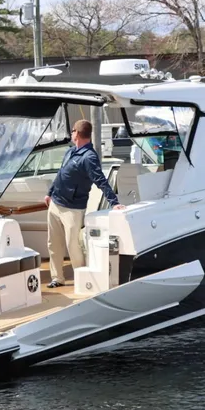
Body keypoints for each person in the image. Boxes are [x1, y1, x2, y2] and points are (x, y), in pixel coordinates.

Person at [44, 119, 125, 288]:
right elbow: (61, 173)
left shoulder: (89, 157)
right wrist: (50, 193)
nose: (71, 133)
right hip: (55, 204)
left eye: (73, 130)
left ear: (78, 133)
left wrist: (114, 202)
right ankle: (57, 278)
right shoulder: (71, 151)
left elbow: (100, 180)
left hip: (72, 209)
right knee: (53, 243)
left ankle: (82, 279)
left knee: (72, 245)